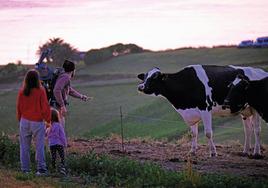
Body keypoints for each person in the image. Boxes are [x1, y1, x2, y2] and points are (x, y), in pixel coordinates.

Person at [16, 69, 51, 175]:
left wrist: (20, 120)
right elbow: (45, 107)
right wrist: (48, 120)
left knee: (24, 147)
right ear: (37, 79)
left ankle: (25, 169)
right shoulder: (41, 90)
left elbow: (19, 107)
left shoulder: (22, 91)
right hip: (37, 122)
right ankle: (41, 170)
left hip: (24, 121)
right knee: (39, 146)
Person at [53, 59, 91, 125]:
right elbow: (56, 90)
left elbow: (69, 90)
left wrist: (82, 97)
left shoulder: (63, 76)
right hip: (56, 106)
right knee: (59, 126)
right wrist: (62, 106)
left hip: (56, 105)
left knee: (59, 126)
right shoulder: (65, 77)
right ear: (73, 70)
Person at [46, 108, 67, 175]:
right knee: (62, 156)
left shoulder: (49, 127)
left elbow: (46, 134)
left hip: (52, 144)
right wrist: (65, 143)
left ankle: (53, 168)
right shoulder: (59, 125)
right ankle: (62, 167)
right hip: (59, 144)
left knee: (53, 156)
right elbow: (62, 135)